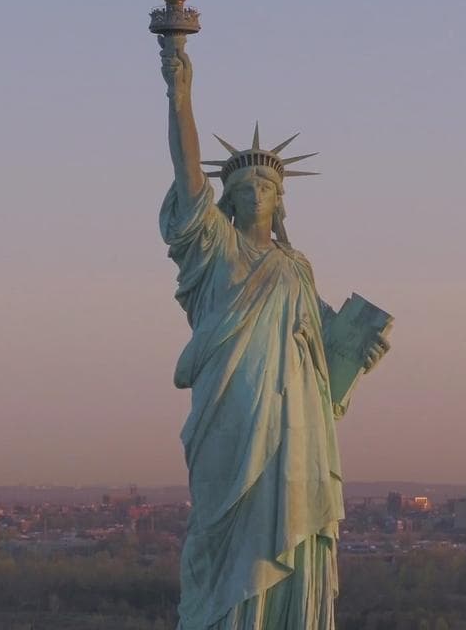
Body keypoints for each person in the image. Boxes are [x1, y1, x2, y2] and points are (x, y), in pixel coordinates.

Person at [157, 33, 389, 629]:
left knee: (290, 534)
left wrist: (358, 357)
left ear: (280, 201)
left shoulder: (297, 269)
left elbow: (318, 364)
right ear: (227, 203)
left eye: (266, 187)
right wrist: (180, 95)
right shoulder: (213, 250)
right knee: (221, 538)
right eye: (243, 189)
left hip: (296, 429)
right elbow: (188, 180)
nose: (255, 193)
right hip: (231, 416)